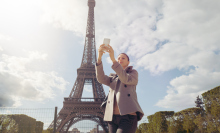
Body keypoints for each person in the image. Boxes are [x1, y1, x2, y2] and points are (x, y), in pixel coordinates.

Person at [95, 44, 144, 133]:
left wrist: (113, 59)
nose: (120, 59)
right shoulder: (113, 78)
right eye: (118, 58)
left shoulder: (133, 73)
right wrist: (99, 58)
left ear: (128, 62)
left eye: (123, 58)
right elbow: (101, 79)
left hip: (128, 116)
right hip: (112, 117)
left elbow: (125, 79)